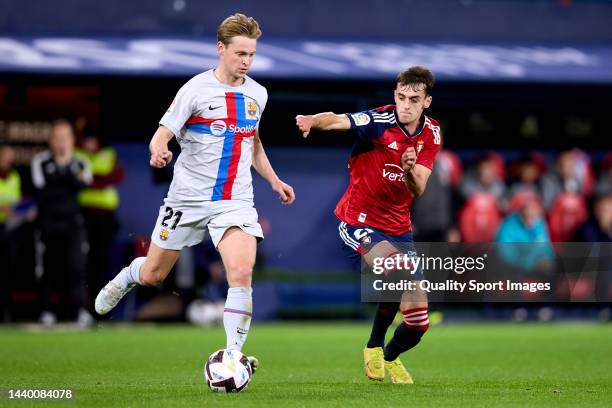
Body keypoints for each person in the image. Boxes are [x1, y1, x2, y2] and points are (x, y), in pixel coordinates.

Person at [95, 13, 295, 371]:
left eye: (252, 54)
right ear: (221, 49)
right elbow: (162, 133)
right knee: (155, 274)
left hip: (235, 200)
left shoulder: (257, 94)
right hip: (187, 199)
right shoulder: (195, 90)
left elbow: (253, 144)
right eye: (240, 54)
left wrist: (274, 180)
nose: (247, 61)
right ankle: (128, 276)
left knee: (240, 271)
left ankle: (233, 354)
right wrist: (158, 150)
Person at [296, 66, 441, 384]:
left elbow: (418, 189)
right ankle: (373, 344)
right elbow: (337, 119)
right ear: (394, 95)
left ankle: (387, 355)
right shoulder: (379, 122)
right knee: (398, 270)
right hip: (357, 219)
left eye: (414, 99)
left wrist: (408, 170)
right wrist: (312, 121)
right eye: (401, 97)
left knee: (419, 322)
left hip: (399, 226)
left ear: (426, 102)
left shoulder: (431, 134)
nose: (405, 105)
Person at [31, 120, 93, 328]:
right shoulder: (40, 161)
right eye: (57, 138)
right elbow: (43, 186)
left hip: (72, 223)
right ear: (50, 140)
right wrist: (65, 172)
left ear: (72, 140)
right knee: (47, 268)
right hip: (47, 222)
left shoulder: (82, 162)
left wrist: (65, 170)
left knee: (76, 266)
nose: (61, 143)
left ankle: (81, 311)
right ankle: (47, 311)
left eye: (65, 138)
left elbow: (83, 183)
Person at [75, 132, 124, 308]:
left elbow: (118, 176)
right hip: (84, 216)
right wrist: (101, 179)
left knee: (102, 261)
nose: (90, 144)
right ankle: (83, 307)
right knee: (82, 261)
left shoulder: (108, 153)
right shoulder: (77, 155)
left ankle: (101, 306)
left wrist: (91, 178)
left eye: (92, 139)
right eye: (86, 140)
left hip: (105, 218)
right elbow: (77, 180)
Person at [0, 145, 22, 321]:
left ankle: (6, 312)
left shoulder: (14, 176)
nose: (8, 159)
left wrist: (23, 211)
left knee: (8, 271)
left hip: (10, 230)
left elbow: (17, 201)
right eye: (5, 155)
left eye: (11, 156)